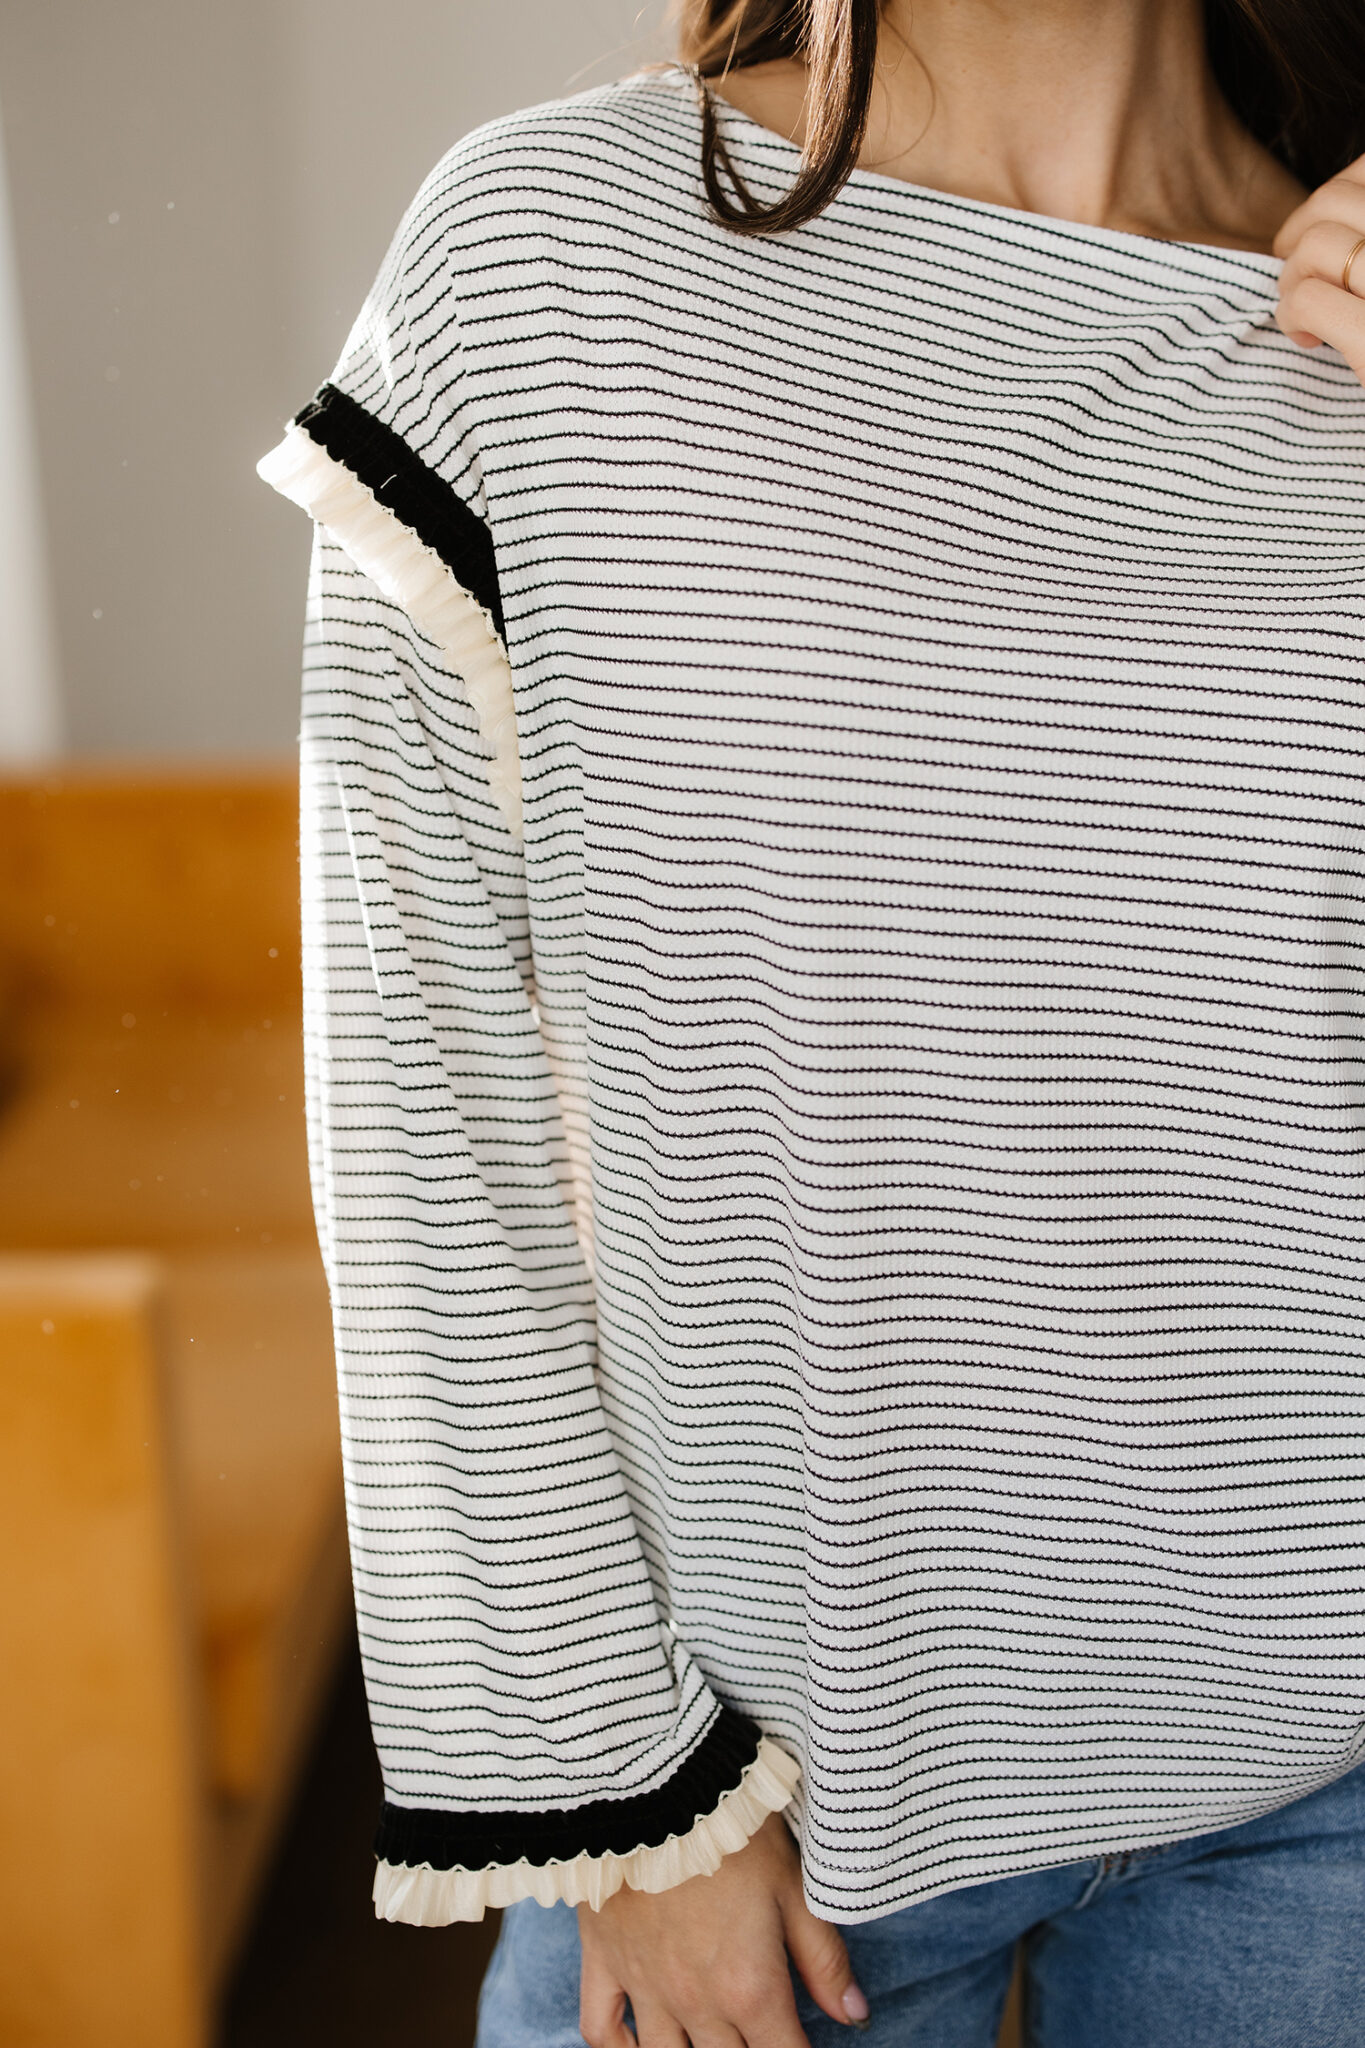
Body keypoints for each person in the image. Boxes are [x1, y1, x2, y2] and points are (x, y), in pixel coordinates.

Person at [258, 0, 1365, 2039]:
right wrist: (617, 1803)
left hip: (1331, 1789)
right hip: (750, 1788)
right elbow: (425, 1097)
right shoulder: (548, 254)